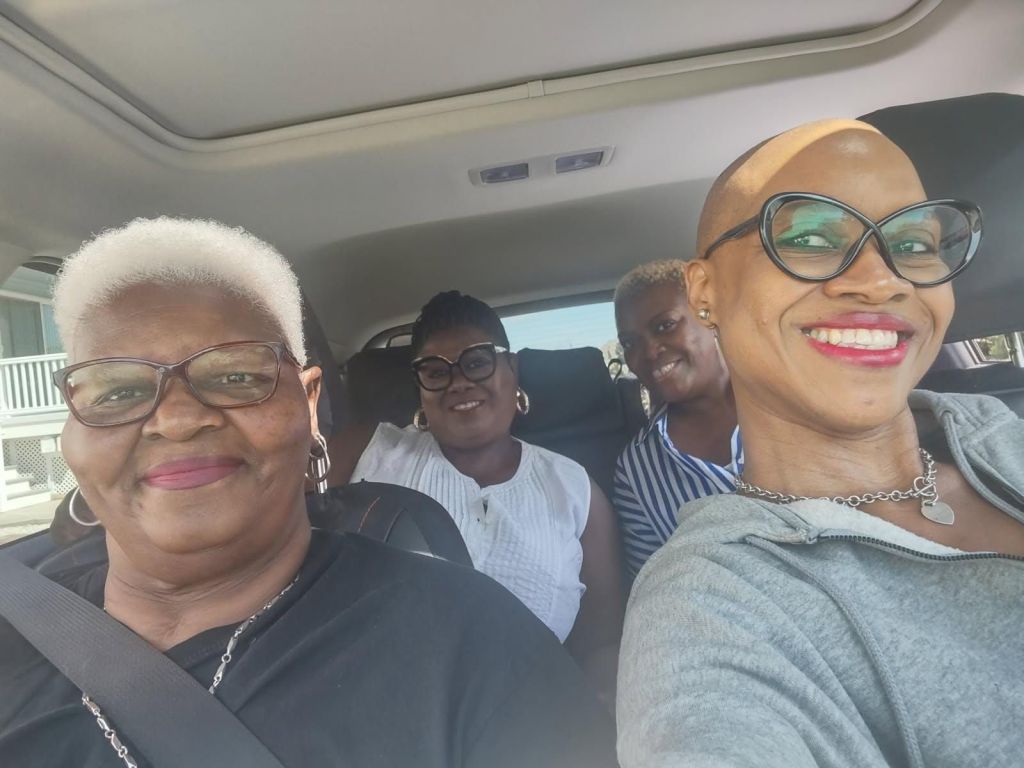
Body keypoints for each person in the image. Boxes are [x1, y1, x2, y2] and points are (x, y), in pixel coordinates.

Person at [0, 217, 618, 768]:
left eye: (235, 375)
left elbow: (603, 637)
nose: (178, 419)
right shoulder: (20, 612)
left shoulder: (479, 646)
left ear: (309, 402)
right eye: (117, 390)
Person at [617, 119, 1024, 768]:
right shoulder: (711, 605)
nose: (881, 279)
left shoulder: (996, 427)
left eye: (912, 242)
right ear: (706, 293)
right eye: (808, 238)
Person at [330, 291, 625, 699]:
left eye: (478, 362)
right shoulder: (367, 452)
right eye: (436, 371)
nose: (459, 382)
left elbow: (601, 644)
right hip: (370, 704)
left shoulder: (574, 489)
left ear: (512, 368)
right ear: (420, 388)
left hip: (526, 716)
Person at [612, 260, 740, 575]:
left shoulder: (789, 403)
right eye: (630, 343)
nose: (649, 351)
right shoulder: (636, 472)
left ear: (708, 313)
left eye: (665, 326)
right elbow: (655, 584)